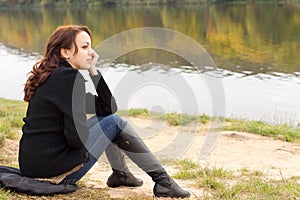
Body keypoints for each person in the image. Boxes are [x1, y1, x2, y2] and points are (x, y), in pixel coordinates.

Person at [19, 25, 190, 198]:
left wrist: (93, 70)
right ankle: (164, 182)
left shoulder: (53, 75)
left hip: (34, 166)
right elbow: (76, 140)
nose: (91, 53)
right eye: (85, 47)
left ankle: (121, 174)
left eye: (90, 47)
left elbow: (106, 107)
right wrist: (91, 131)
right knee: (114, 123)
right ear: (66, 52)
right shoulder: (70, 79)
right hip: (53, 174)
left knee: (107, 119)